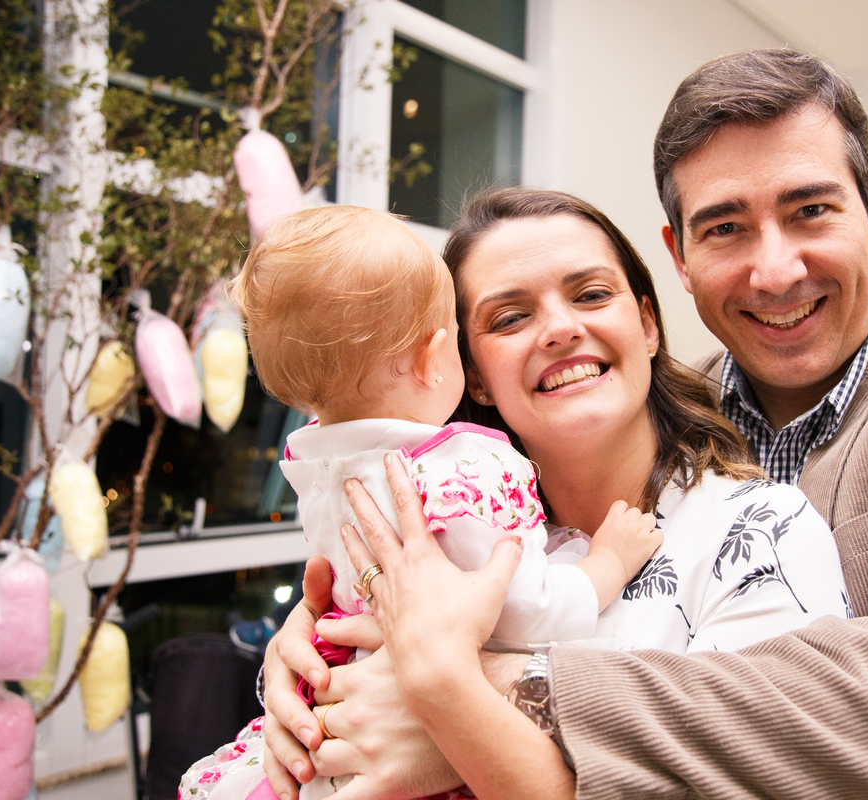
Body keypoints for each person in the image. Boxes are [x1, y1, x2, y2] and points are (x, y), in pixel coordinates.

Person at [265, 50, 868, 799]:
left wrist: (465, 692)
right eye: (726, 227)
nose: (775, 269)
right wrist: (318, 660)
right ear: (679, 257)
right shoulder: (636, 417)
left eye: (811, 210)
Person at [177, 205, 672, 799]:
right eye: (510, 318)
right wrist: (608, 562)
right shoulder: (462, 471)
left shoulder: (316, 467)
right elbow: (524, 610)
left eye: (591, 294)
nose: (560, 329)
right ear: (440, 357)